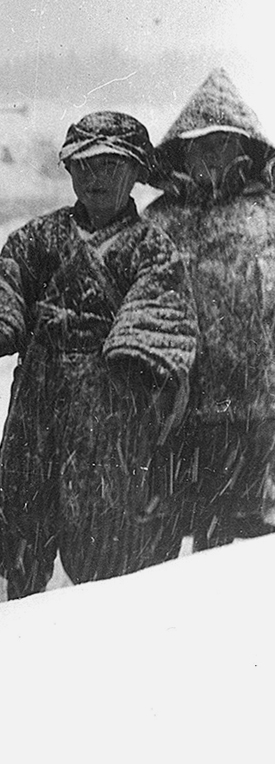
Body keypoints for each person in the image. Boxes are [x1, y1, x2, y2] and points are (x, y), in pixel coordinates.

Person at [0, 110, 198, 599]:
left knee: (107, 541)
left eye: (111, 165)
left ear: (137, 172)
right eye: (84, 164)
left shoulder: (153, 250)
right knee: (21, 527)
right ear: (69, 170)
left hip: (111, 413)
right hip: (36, 406)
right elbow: (5, 304)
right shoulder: (35, 240)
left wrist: (122, 363)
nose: (95, 177)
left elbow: (157, 329)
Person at [144, 68, 275, 551]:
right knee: (177, 550)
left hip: (263, 414)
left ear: (245, 148)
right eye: (203, 143)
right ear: (183, 150)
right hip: (183, 415)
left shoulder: (270, 214)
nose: (214, 153)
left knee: (253, 552)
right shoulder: (160, 222)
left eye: (225, 142)